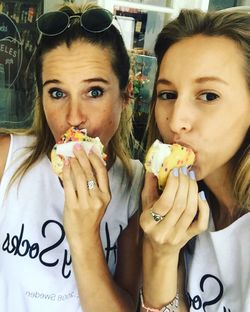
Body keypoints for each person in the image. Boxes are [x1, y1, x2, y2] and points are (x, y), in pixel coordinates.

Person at [0, 2, 144, 311]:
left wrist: (83, 234)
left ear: (125, 94)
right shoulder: (6, 160)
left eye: (94, 92)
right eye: (57, 93)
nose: (74, 117)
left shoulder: (136, 186)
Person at [139, 9, 250, 312]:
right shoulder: (169, 209)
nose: (176, 122)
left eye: (208, 96)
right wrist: (161, 254)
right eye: (168, 94)